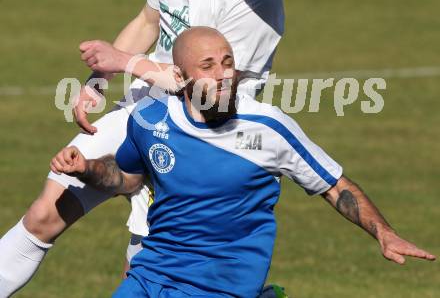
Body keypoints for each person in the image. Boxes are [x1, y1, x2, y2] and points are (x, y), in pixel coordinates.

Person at [0, 0, 284, 296]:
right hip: (143, 112)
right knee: (45, 212)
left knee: (146, 269)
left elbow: (207, 91)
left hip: (200, 138)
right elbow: (149, 20)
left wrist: (126, 63)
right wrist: (98, 80)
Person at [51, 27, 436, 298]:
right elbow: (128, 179)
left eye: (227, 62)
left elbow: (334, 184)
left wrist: (384, 232)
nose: (223, 75)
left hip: (222, 283)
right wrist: (86, 168)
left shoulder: (268, 127)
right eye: (207, 66)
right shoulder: (150, 118)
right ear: (181, 77)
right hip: (151, 273)